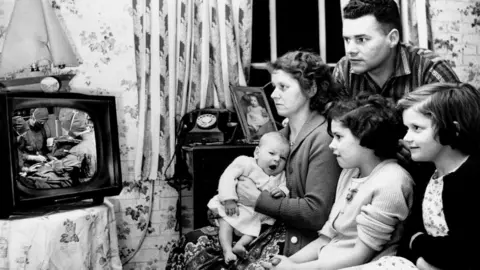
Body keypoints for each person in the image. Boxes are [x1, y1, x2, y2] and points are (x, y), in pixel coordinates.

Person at [166, 50, 343, 269]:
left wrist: (257, 199)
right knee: (190, 242)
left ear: (311, 89)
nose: (274, 95)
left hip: (297, 238)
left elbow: (316, 214)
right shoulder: (281, 135)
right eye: (274, 87)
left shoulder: (324, 138)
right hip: (261, 223)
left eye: (284, 87)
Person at [261, 95, 414, 269]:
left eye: (339, 137)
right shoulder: (350, 172)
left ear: (367, 137)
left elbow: (360, 256)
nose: (331, 145)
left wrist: (296, 269)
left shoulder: (391, 183)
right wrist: (290, 262)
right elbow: (328, 238)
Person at [357, 83, 480, 270]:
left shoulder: (472, 178)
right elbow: (410, 235)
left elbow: (462, 249)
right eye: (407, 128)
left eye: (417, 128)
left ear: (452, 130)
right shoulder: (425, 174)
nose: (406, 138)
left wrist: (420, 243)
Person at [333, 0, 460, 103]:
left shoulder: (429, 68)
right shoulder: (344, 69)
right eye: (347, 39)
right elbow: (336, 127)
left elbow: (460, 129)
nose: (350, 50)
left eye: (361, 39)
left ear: (392, 38)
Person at [207, 131, 290, 263]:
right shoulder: (245, 163)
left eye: (283, 158)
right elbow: (228, 177)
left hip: (253, 214)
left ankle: (240, 245)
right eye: (272, 153)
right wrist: (229, 199)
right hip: (234, 207)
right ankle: (227, 249)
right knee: (226, 224)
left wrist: (282, 191)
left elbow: (286, 187)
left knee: (256, 229)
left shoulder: (280, 176)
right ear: (257, 152)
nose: (277, 159)